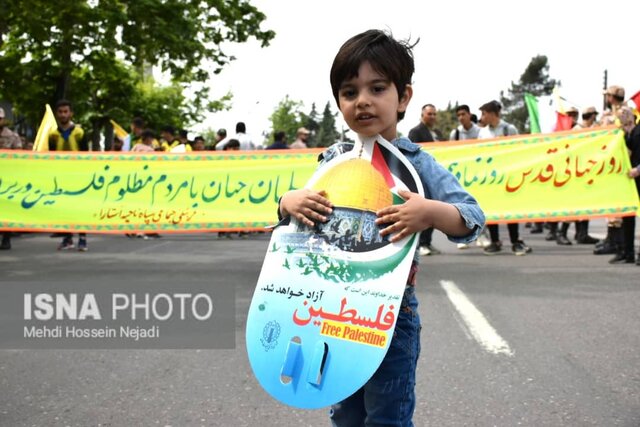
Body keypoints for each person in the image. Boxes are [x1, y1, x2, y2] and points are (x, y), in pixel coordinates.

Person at [277, 29, 484, 426]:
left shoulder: (417, 164)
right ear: (338, 100)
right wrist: (289, 201)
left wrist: (429, 213)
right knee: (345, 411)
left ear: (403, 97)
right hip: (330, 308)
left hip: (391, 314)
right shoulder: (333, 160)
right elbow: (296, 221)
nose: (363, 101)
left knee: (387, 415)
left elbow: (471, 217)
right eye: (349, 92)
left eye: (377, 88)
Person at [477, 100, 531, 256]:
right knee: (491, 209)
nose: (482, 117)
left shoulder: (509, 129)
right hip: (490, 177)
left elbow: (518, 150)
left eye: (484, 113)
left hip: (508, 177)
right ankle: (495, 241)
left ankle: (515, 241)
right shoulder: (482, 132)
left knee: (510, 209)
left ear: (493, 113)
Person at [48, 99, 89, 251]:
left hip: (78, 175)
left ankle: (83, 238)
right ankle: (67, 238)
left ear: (71, 113)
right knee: (64, 207)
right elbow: (51, 157)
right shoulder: (53, 135)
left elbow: (86, 155)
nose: (63, 114)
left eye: (66, 111)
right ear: (57, 114)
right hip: (61, 176)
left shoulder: (80, 132)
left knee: (80, 207)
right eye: (60, 112)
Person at [407, 104, 443, 255]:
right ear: (422, 115)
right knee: (424, 211)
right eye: (430, 114)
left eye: (434, 114)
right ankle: (421, 244)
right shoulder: (415, 132)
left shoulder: (437, 133)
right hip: (422, 179)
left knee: (434, 210)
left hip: (436, 177)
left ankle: (427, 242)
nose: (432, 117)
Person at [0, 107, 23, 249]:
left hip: (7, 179)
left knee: (6, 208)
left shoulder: (12, 137)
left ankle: (6, 237)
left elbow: (20, 157)